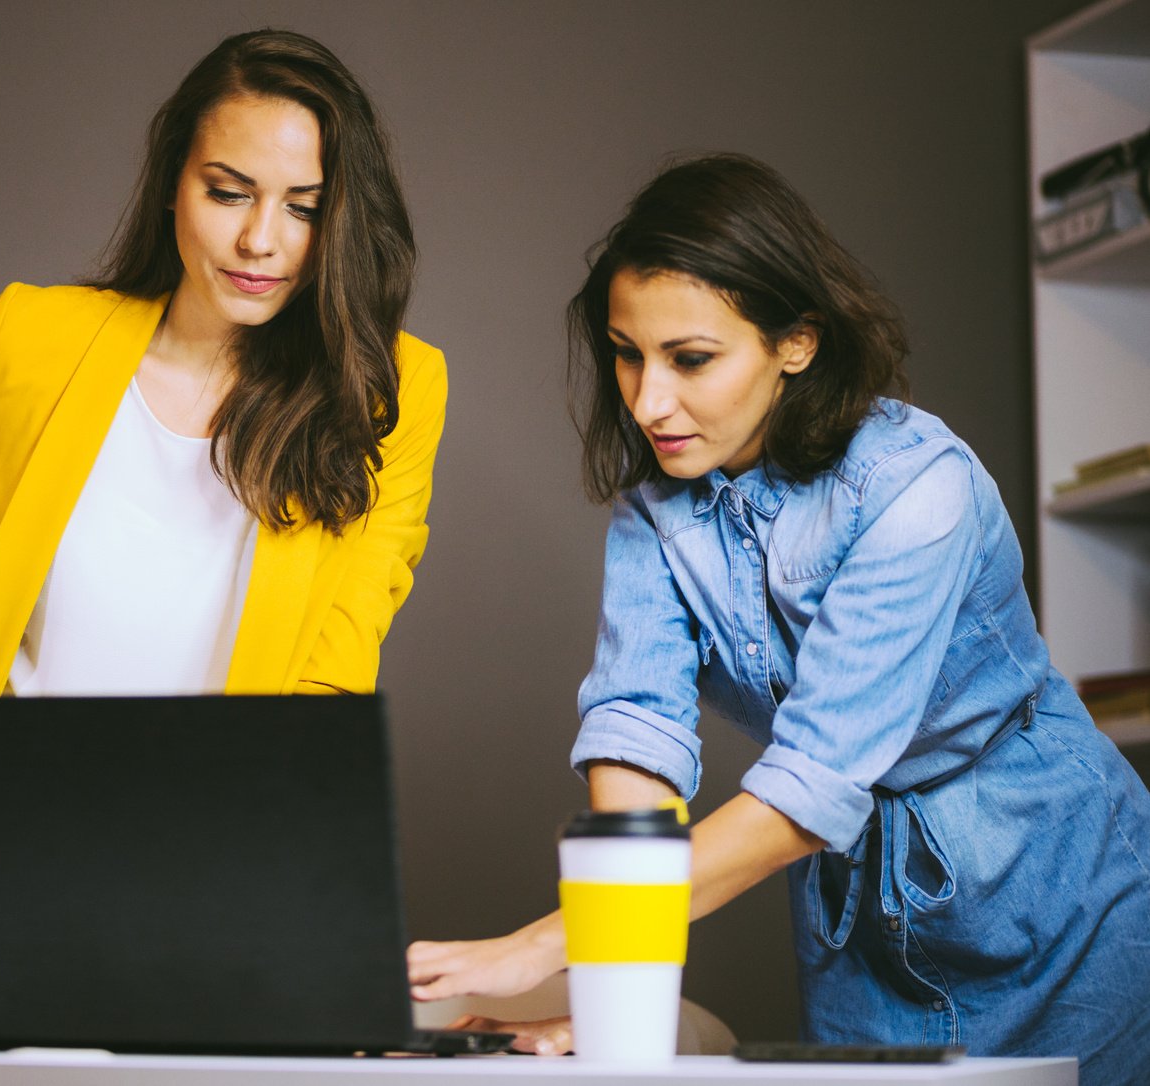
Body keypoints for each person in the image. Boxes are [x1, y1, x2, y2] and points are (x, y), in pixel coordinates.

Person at [406, 154, 1150, 1084]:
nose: (646, 401)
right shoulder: (653, 513)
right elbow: (635, 743)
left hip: (1058, 888)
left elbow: (812, 778)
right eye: (625, 353)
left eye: (690, 359)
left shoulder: (920, 490)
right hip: (855, 919)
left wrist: (548, 941)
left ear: (794, 343)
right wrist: (611, 993)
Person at [0, 28, 446, 1039]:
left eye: (305, 207)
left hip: (201, 897)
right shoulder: (34, 340)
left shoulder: (387, 393)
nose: (261, 240)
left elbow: (331, 670)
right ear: (174, 182)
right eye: (229, 192)